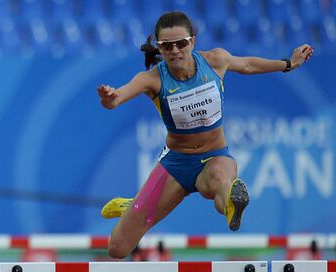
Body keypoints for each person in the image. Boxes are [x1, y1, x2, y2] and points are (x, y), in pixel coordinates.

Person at [97, 11, 313, 259]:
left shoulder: (215, 61)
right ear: (159, 47)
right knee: (118, 248)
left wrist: (289, 63)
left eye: (181, 43)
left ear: (193, 41)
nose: (176, 50)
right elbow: (116, 100)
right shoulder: (152, 79)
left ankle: (233, 203)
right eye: (168, 46)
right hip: (176, 165)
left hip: (214, 157)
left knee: (222, 185)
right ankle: (133, 205)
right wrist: (109, 98)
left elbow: (248, 64)